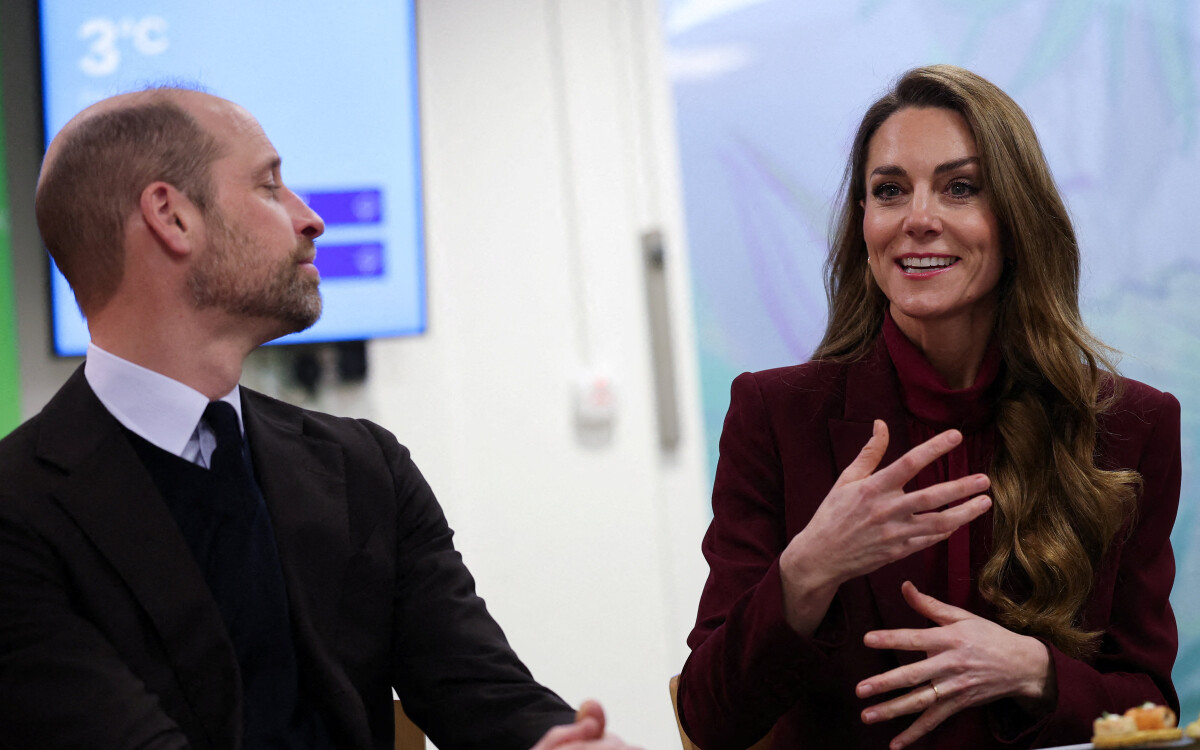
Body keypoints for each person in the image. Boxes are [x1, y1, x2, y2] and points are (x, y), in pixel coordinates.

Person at [0, 87, 638, 750]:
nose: (310, 219)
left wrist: (555, 743)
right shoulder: (17, 514)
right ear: (172, 216)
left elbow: (481, 690)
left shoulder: (364, 468)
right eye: (270, 185)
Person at [677, 65, 1180, 750]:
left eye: (960, 188)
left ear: (1016, 218)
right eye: (889, 192)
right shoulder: (773, 415)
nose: (918, 219)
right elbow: (710, 719)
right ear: (864, 225)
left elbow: (1151, 706)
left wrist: (1034, 670)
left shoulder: (1131, 427)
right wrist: (807, 570)